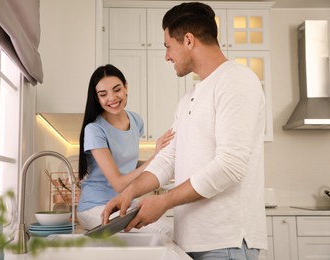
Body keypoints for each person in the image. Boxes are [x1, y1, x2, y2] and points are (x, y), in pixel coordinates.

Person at [102, 2, 267, 260]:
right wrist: (130, 192)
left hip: (226, 243)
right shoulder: (189, 97)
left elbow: (231, 165)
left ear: (188, 40)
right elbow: (169, 159)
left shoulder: (236, 80)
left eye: (168, 45)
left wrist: (164, 201)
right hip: (190, 241)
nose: (167, 55)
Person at [76, 64, 174, 238]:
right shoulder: (94, 129)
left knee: (172, 228)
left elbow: (130, 166)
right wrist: (156, 156)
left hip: (125, 202)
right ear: (96, 98)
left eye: (117, 90)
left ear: (126, 87)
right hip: (96, 207)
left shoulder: (136, 120)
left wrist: (158, 159)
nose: (112, 98)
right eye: (103, 94)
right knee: (163, 232)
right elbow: (119, 184)